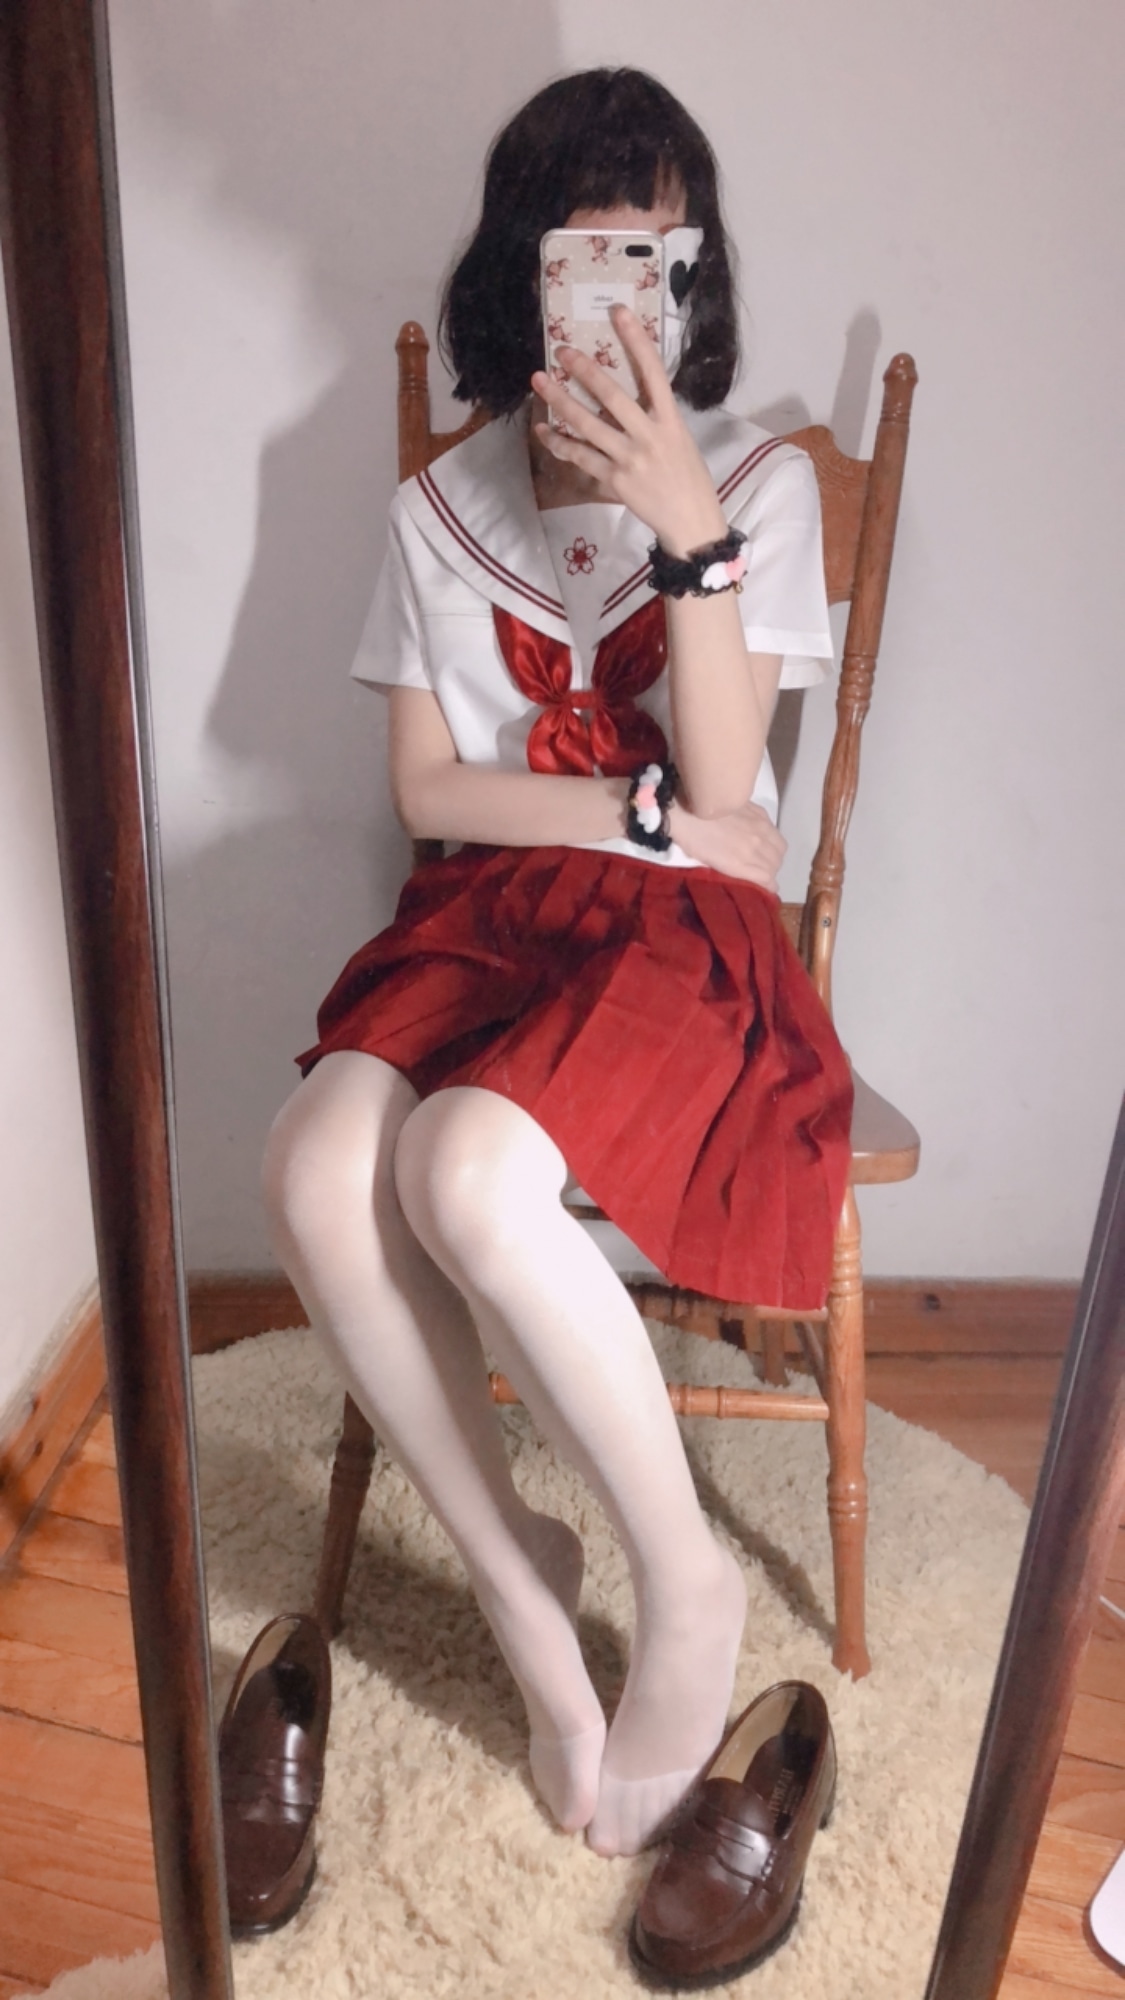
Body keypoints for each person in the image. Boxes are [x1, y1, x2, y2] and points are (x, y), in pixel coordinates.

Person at [262, 67, 853, 1861]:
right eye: (593, 246)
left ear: (695, 272)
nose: (631, 286)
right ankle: (523, 1582)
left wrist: (686, 528)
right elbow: (435, 791)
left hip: (677, 939)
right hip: (487, 910)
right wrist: (637, 814)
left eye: (663, 250)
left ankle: (686, 1582)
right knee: (312, 1168)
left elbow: (733, 785)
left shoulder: (755, 480)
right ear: (524, 265)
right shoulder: (437, 506)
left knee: (463, 1172)